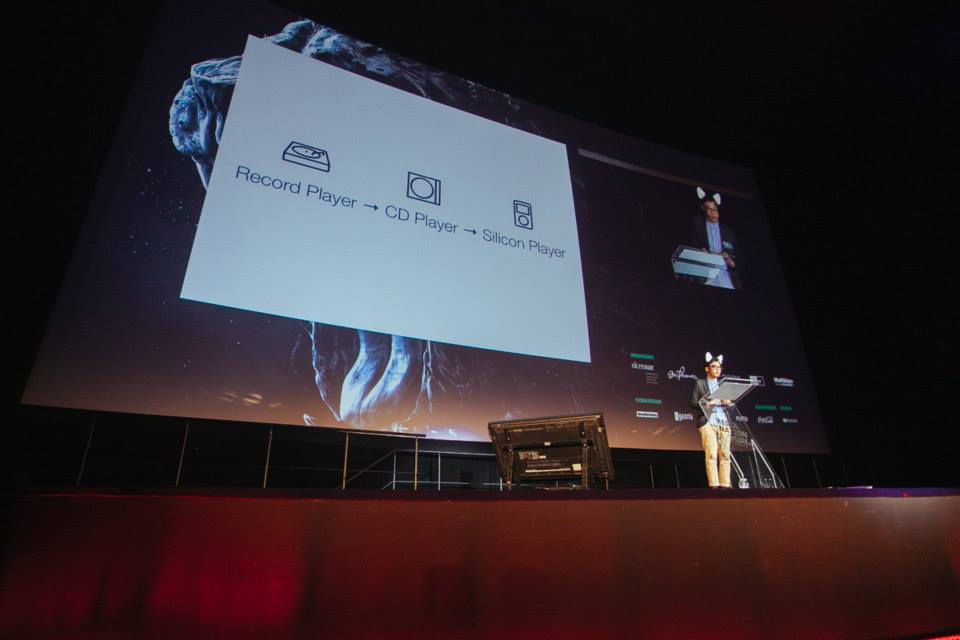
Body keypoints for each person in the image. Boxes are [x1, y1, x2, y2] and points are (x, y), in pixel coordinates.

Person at [690, 352, 733, 488]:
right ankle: (714, 485)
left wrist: (729, 403)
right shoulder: (700, 384)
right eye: (714, 367)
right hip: (708, 423)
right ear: (707, 369)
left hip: (723, 422)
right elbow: (692, 403)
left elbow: (729, 404)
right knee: (712, 455)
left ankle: (725, 485)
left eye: (719, 367)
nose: (717, 369)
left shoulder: (722, 385)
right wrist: (707, 403)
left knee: (725, 455)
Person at [692, 188, 742, 289]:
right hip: (706, 275)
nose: (713, 212)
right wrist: (700, 253)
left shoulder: (728, 231)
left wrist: (731, 262)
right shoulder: (697, 224)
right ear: (703, 209)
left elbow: (739, 258)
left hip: (726, 276)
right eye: (709, 209)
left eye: (714, 209)